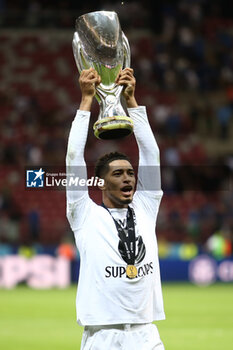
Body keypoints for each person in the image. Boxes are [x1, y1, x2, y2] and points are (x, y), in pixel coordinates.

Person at [66, 67, 165, 349]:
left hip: (147, 335)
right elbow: (73, 157)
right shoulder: (85, 214)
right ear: (101, 183)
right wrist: (86, 102)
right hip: (103, 337)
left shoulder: (145, 207)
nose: (128, 178)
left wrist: (132, 102)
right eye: (118, 174)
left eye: (130, 173)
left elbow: (151, 155)